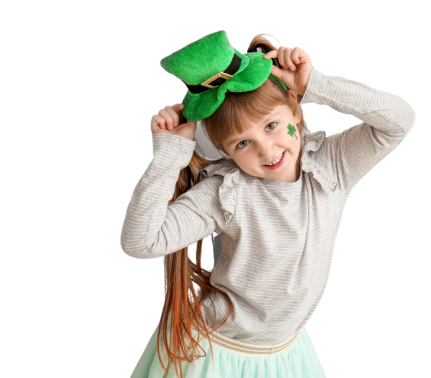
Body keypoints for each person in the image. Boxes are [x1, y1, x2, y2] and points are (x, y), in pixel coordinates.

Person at [121, 30, 415, 378]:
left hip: (286, 353)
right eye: (242, 143)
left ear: (296, 112)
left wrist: (315, 84)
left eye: (272, 125)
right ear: (225, 153)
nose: (266, 149)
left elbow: (399, 121)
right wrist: (169, 157)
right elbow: (141, 242)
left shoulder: (331, 166)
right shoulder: (226, 192)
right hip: (216, 356)